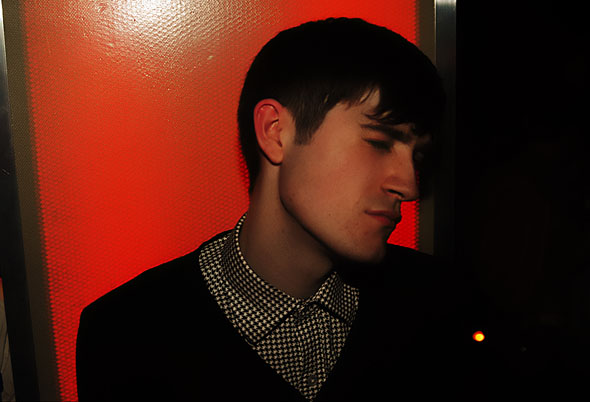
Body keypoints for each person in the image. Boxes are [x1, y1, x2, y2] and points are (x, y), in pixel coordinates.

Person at [77, 18, 484, 401]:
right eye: (379, 142)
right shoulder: (126, 334)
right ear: (275, 132)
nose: (409, 185)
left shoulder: (439, 306)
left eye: (418, 157)